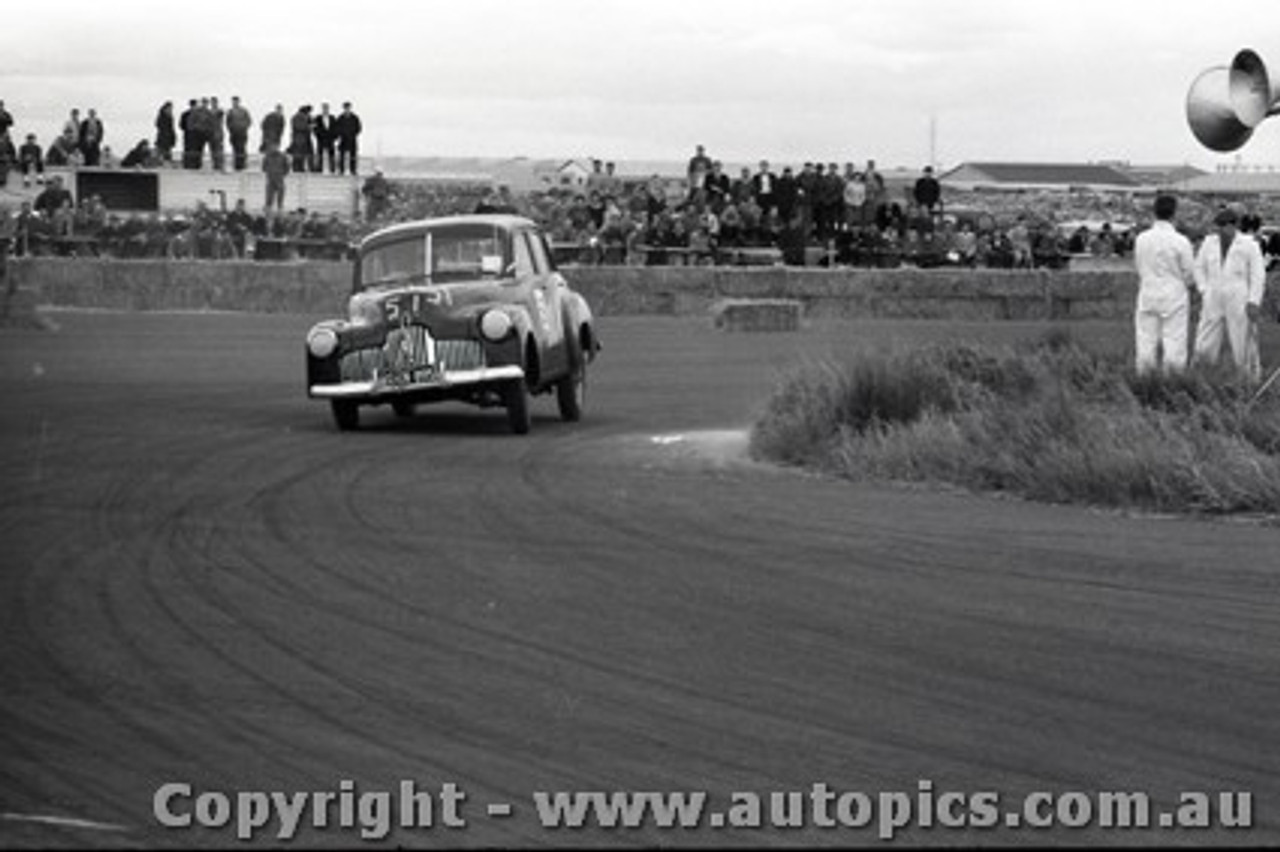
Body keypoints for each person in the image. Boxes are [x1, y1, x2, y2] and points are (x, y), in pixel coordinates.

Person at [1193, 207, 1267, 379]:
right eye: (1217, 226)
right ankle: (1202, 374)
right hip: (1213, 292)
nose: (1218, 230)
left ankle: (1249, 378)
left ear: (1233, 226)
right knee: (1205, 336)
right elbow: (1199, 267)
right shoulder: (1209, 242)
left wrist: (1254, 300)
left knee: (1243, 338)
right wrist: (1203, 289)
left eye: (1222, 226)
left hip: (1239, 294)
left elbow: (1258, 274)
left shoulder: (1249, 245)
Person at [1132, 194, 1196, 375]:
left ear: (1154, 212)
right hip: (1174, 294)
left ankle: (1145, 379)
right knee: (1174, 340)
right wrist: (1188, 284)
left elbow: (1139, 265)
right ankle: (1173, 381)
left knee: (1145, 340)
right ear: (1174, 213)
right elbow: (1189, 273)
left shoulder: (1141, 239)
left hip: (1148, 291)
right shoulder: (1181, 241)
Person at [225, 96, 252, 171]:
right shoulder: (230, 112)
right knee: (235, 149)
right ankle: (237, 165)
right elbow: (227, 122)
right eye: (233, 101)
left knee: (242, 148)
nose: (235, 103)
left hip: (242, 133)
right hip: (234, 133)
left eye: (236, 101)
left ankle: (243, 164)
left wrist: (243, 127)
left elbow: (249, 121)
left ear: (238, 102)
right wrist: (231, 129)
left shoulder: (243, 111)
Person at [334, 102, 361, 175]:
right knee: (342, 155)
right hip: (343, 139)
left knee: (353, 155)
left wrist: (353, 134)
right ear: (344, 109)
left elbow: (358, 128)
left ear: (350, 108)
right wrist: (341, 134)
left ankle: (353, 170)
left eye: (348, 108)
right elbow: (337, 128)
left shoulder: (355, 118)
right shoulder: (340, 118)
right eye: (345, 108)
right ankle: (341, 170)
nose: (347, 109)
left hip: (352, 139)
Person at [261, 143, 290, 212]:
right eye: (272, 146)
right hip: (270, 178)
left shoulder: (283, 156)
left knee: (280, 195)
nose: (273, 148)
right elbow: (264, 167)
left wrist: (281, 173)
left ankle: (280, 208)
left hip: (279, 178)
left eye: (275, 146)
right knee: (269, 196)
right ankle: (268, 208)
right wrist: (269, 172)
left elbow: (287, 167)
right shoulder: (267, 156)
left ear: (278, 146)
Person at [312, 102, 336, 173]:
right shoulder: (317, 118)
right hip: (321, 139)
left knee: (331, 154)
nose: (325, 110)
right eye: (324, 108)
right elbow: (314, 128)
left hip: (330, 139)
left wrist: (334, 137)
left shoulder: (332, 118)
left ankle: (332, 168)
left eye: (327, 108)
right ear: (322, 109)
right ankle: (319, 168)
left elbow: (336, 128)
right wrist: (318, 136)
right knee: (319, 153)